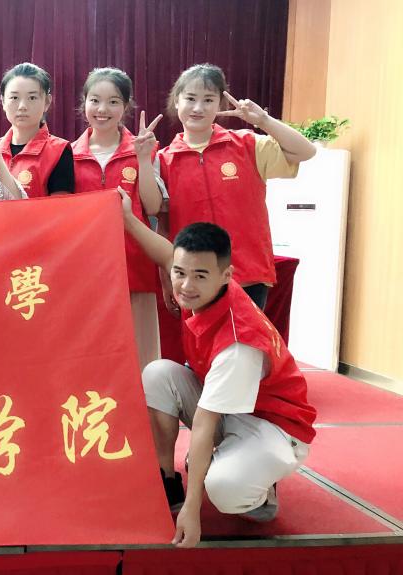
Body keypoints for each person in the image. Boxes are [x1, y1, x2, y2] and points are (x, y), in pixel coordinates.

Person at [118, 189, 316, 549]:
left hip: (274, 426)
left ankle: (261, 491)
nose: (186, 285)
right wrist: (128, 219)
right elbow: (167, 254)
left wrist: (192, 511)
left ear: (226, 275)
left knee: (225, 489)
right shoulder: (205, 286)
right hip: (233, 405)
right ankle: (168, 479)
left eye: (199, 276)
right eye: (180, 273)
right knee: (157, 374)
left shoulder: (238, 343)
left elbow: (205, 422)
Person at [158, 64, 316, 310]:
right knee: (202, 338)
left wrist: (263, 120)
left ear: (220, 104)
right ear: (176, 101)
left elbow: (306, 151)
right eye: (190, 98)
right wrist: (165, 277)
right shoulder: (163, 161)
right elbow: (164, 227)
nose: (198, 108)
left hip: (248, 275)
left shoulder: (247, 145)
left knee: (245, 337)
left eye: (208, 100)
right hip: (192, 280)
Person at [72, 68, 163, 369]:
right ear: (84, 103)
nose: (103, 109)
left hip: (134, 266)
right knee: (92, 358)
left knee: (140, 360)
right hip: (86, 273)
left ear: (126, 106)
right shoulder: (67, 155)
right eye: (95, 100)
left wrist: (142, 159)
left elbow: (152, 206)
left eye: (113, 101)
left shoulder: (144, 149)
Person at [0, 63, 74, 198]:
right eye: (14, 98)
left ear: (47, 102)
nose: (22, 106)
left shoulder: (59, 151)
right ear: (3, 101)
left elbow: (61, 208)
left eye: (32, 98)